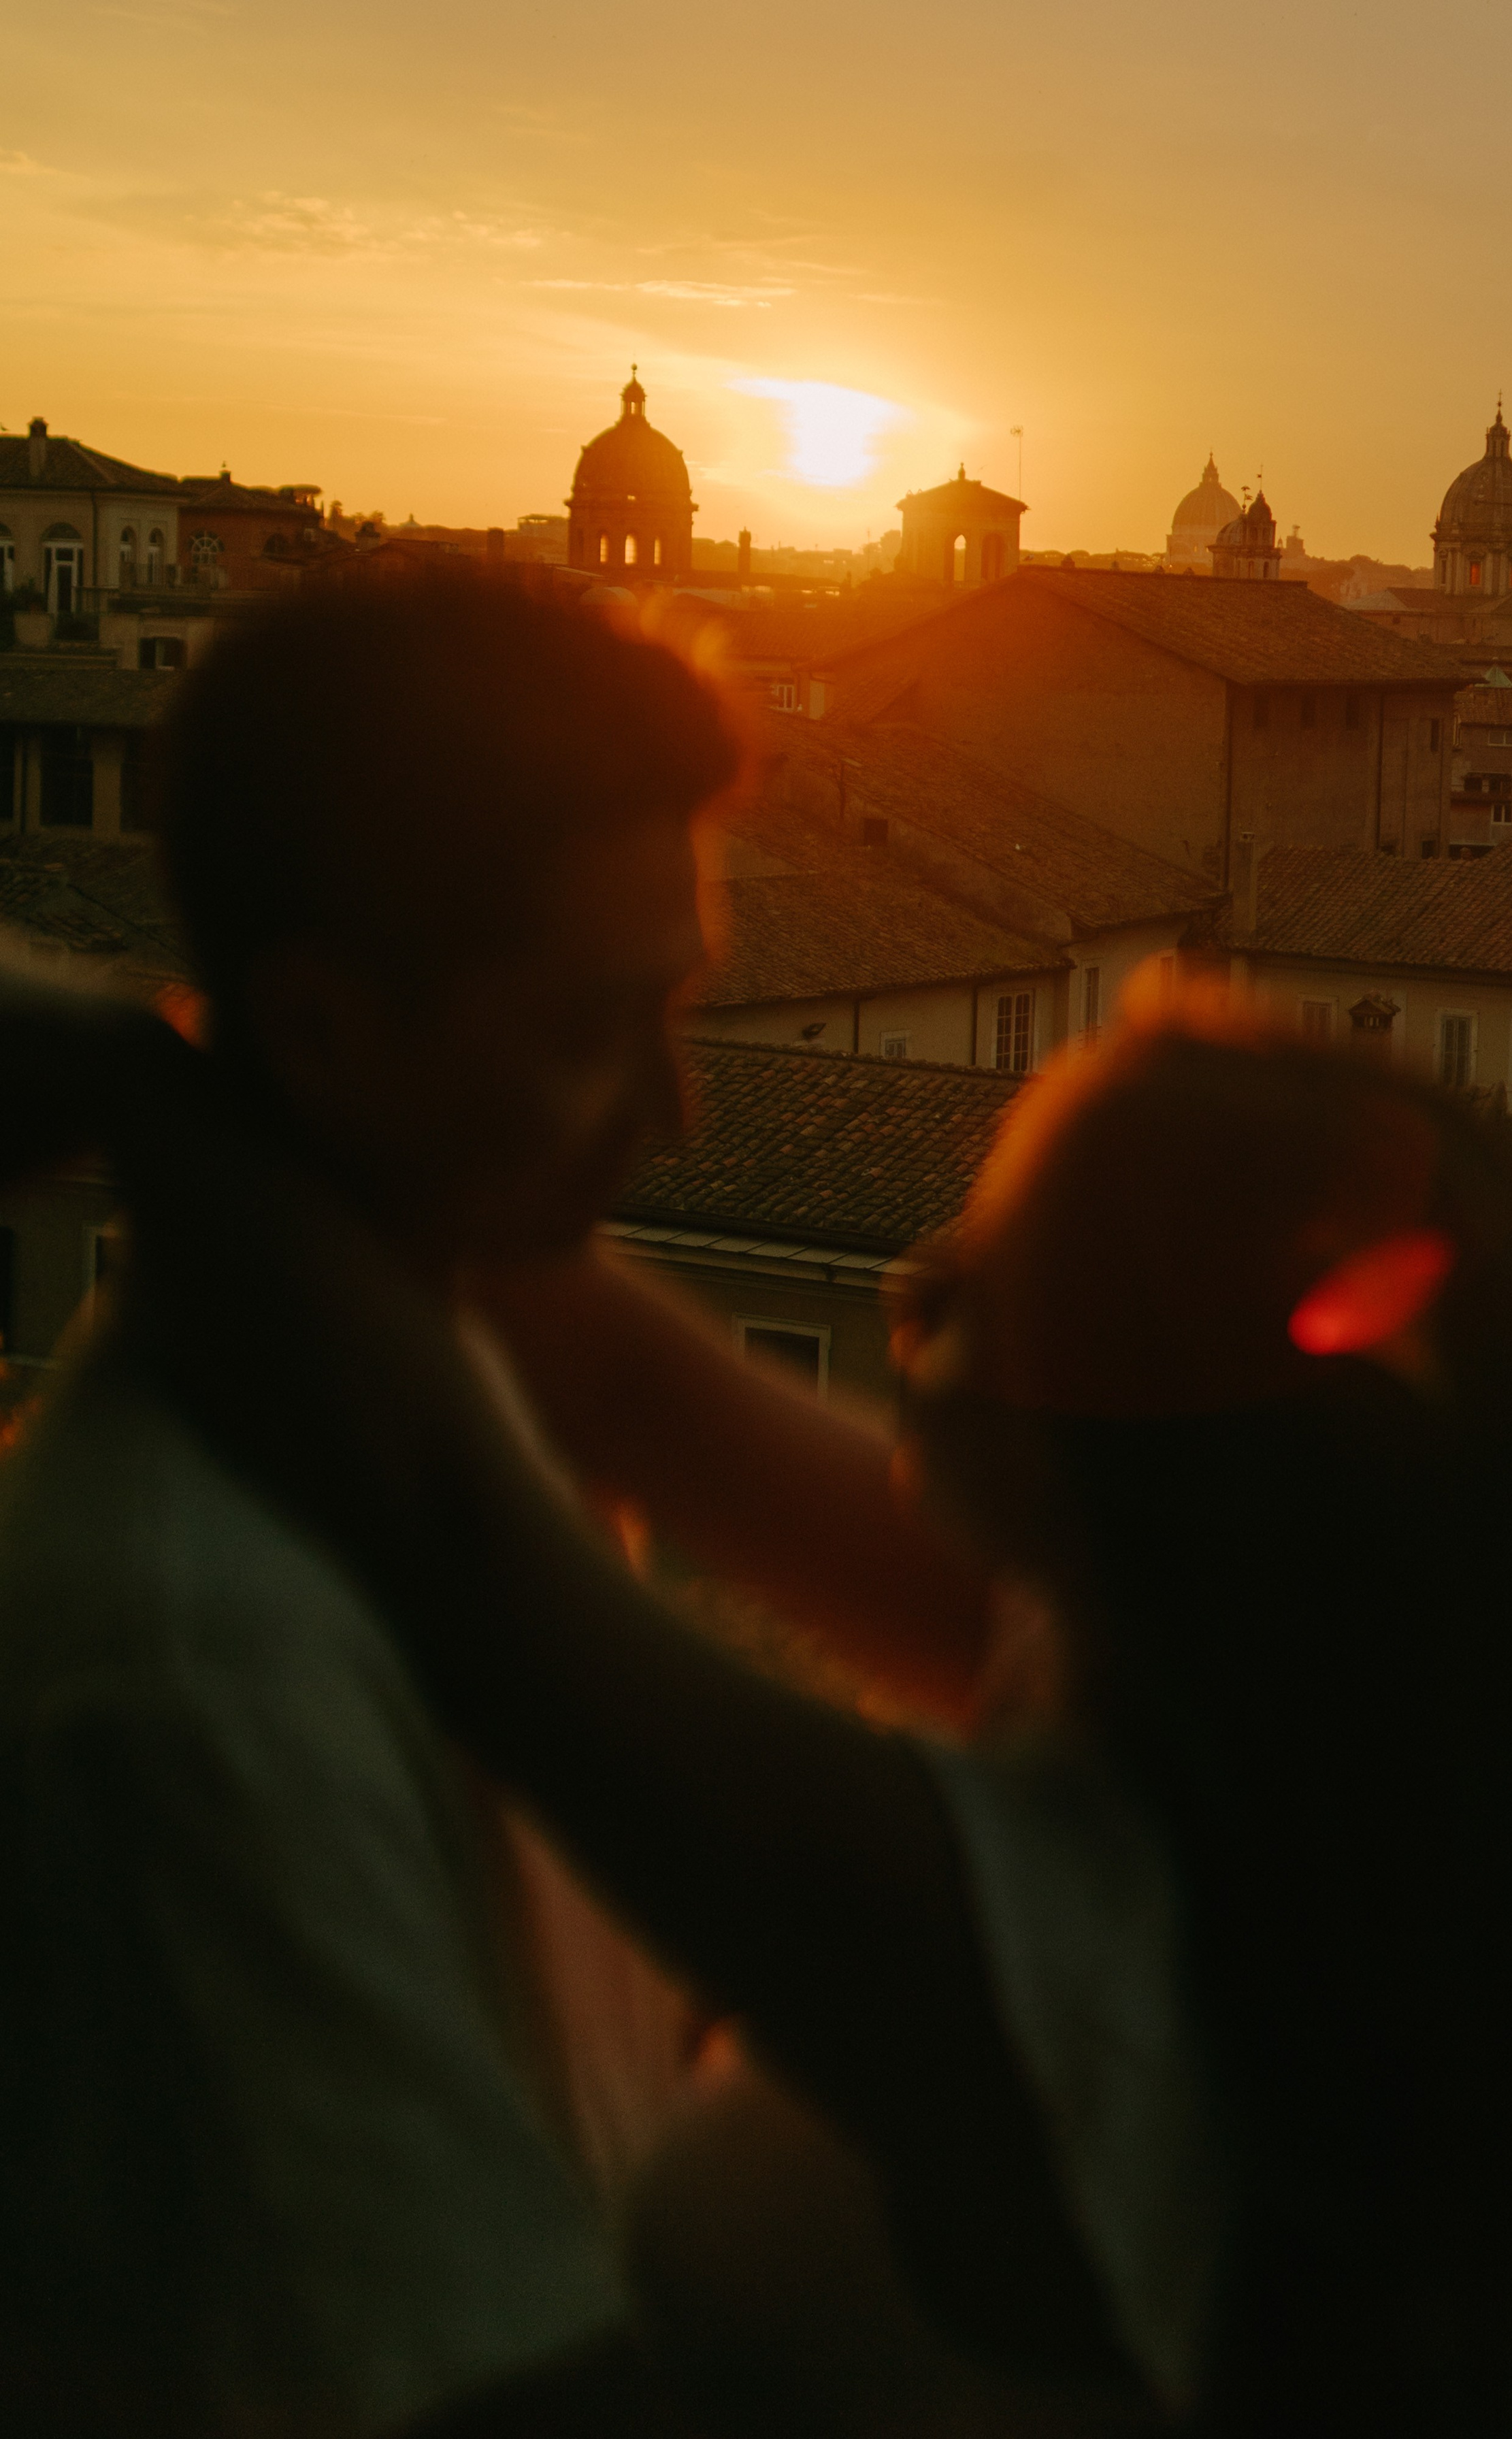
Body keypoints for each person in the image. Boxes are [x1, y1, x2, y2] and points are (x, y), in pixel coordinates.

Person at [44, 984, 1512, 2436]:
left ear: (1121, 1448)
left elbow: (449, 1519)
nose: (901, 1287)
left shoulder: (1043, 1977)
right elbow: (619, 1384)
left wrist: (138, 1087)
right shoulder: (1226, 1717)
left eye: (972, 1279)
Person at [0, 569, 996, 2439]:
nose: (676, 1115)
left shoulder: (447, 1336)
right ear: (320, 1032)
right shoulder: (198, 1668)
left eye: (679, 1008)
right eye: (590, 1027)